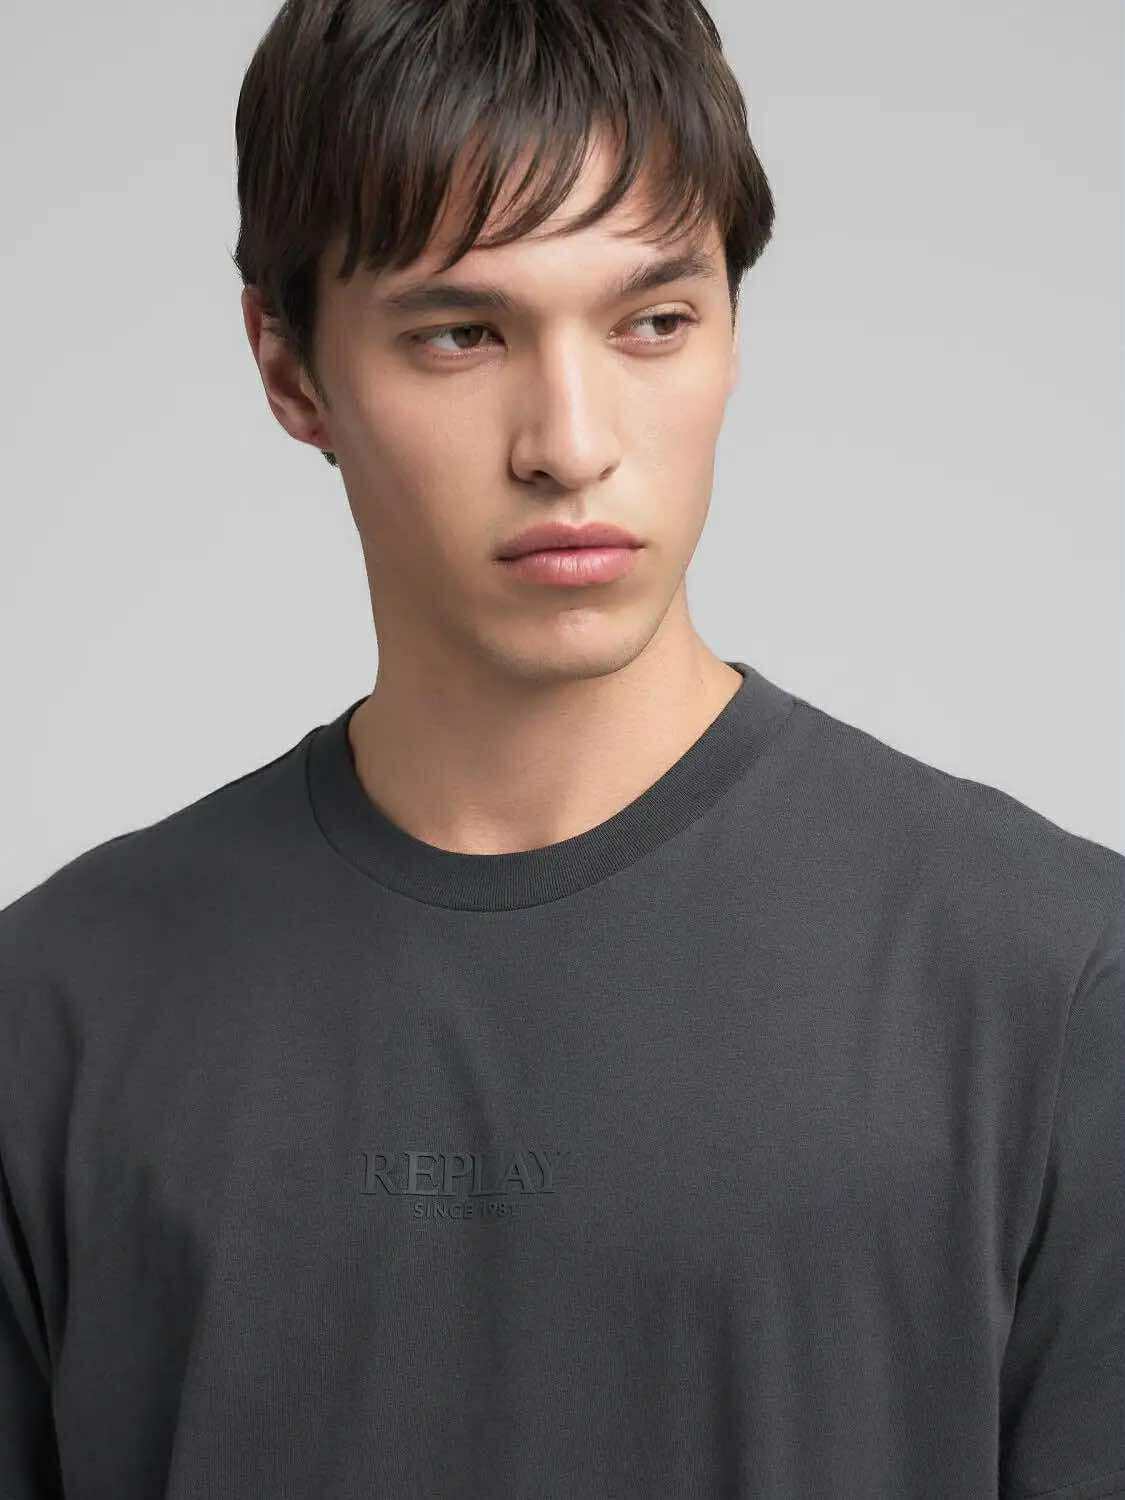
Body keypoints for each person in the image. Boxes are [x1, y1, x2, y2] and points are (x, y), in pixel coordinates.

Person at [1, 0, 1121, 1494]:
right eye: (461, 334)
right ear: (288, 367)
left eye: (654, 321)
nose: (571, 442)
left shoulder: (1058, 984)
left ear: (731, 332)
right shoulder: (52, 1013)